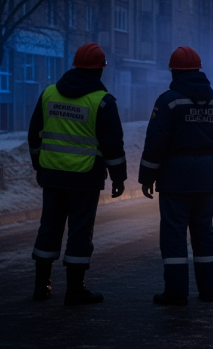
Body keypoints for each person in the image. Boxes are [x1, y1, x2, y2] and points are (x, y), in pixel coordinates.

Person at [28, 42, 127, 306]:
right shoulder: (102, 101)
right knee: (80, 231)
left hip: (52, 174)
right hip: (85, 177)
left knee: (49, 227)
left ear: (74, 66)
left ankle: (41, 285)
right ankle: (75, 288)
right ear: (100, 70)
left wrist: (39, 165)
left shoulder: (49, 93)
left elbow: (34, 134)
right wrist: (118, 177)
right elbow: (112, 144)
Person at [139, 45, 213, 306]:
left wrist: (147, 176)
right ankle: (208, 290)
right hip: (205, 177)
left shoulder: (168, 101)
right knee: (204, 232)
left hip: (175, 177)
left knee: (174, 234)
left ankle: (176, 292)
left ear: (174, 72)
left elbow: (156, 142)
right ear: (199, 71)